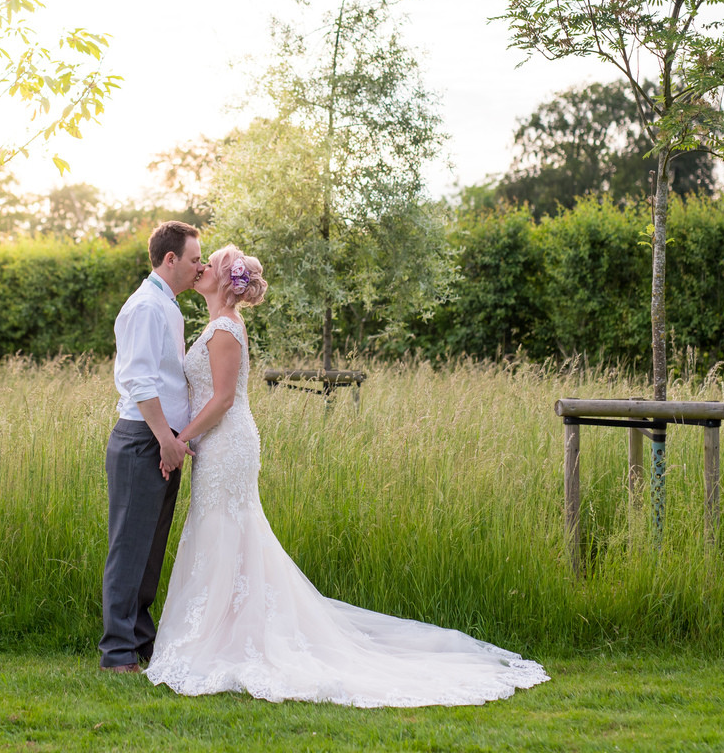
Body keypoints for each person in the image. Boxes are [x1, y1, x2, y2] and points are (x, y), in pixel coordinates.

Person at [145, 245, 549, 706]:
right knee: (225, 533)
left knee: (228, 529)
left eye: (207, 264)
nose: (200, 269)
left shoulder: (224, 330)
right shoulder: (216, 326)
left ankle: (228, 639)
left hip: (225, 441)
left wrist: (181, 439)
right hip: (216, 444)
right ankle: (226, 631)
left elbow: (221, 401)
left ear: (222, 279)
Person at [99, 221, 202, 673]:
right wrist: (165, 440)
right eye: (196, 259)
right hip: (144, 440)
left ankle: (141, 640)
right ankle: (116, 652)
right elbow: (139, 380)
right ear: (171, 259)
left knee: (150, 549)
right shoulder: (145, 307)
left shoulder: (168, 305)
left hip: (164, 442)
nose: (201, 266)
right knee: (129, 548)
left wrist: (176, 441)